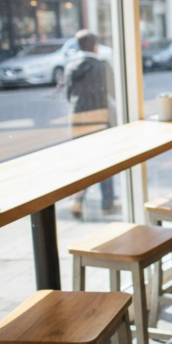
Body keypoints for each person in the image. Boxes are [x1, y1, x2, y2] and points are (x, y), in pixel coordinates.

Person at [65, 29, 116, 217]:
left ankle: (76, 201)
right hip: (99, 116)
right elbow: (113, 92)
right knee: (104, 160)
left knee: (82, 161)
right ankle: (108, 200)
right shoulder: (102, 65)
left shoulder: (72, 66)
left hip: (78, 117)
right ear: (95, 46)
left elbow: (68, 95)